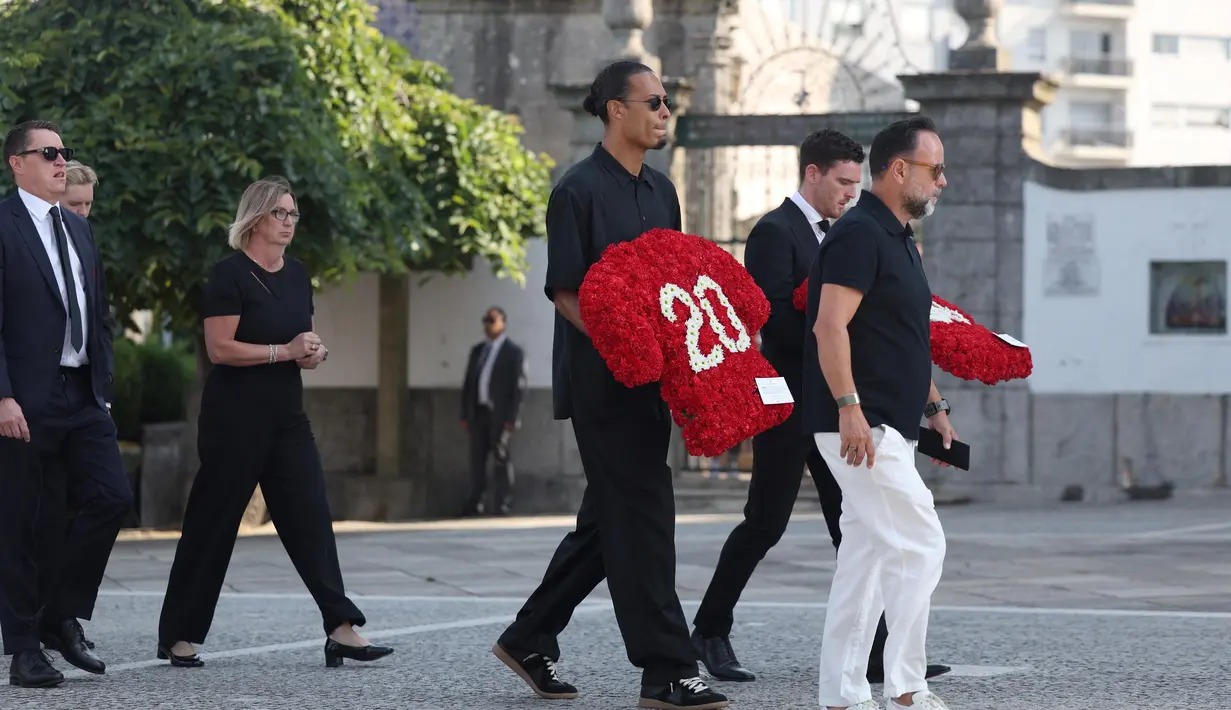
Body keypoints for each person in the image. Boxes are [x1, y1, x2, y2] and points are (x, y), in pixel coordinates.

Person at [490, 61, 728, 710]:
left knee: (610, 522)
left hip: (655, 383)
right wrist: (625, 342)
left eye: (667, 104)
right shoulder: (575, 191)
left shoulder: (662, 191)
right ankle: (667, 670)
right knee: (646, 517)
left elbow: (675, 289)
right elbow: (566, 293)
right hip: (602, 384)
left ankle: (529, 636)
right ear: (614, 110)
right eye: (652, 102)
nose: (663, 113)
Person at [691, 129, 950, 685]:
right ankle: (710, 629)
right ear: (813, 174)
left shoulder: (857, 231)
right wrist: (831, 305)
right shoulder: (774, 232)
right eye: (843, 182)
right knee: (766, 520)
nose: (851, 194)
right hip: (790, 399)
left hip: (840, 402)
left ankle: (878, 650)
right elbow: (773, 320)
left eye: (858, 183)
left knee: (853, 525)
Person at [155, 176, 393, 669]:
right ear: (256, 218)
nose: (289, 223)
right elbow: (220, 349)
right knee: (212, 526)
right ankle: (178, 634)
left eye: (293, 215)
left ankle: (341, 627)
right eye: (280, 214)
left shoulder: (297, 273)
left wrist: (312, 351)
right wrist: (282, 352)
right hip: (233, 422)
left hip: (286, 417)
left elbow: (300, 336)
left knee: (310, 519)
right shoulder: (230, 275)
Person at [803, 116, 956, 710]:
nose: (942, 181)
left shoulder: (897, 239)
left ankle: (840, 695)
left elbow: (903, 336)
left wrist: (935, 403)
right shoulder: (859, 233)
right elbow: (829, 325)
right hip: (861, 426)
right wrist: (849, 408)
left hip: (887, 422)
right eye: (934, 169)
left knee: (864, 560)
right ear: (899, 171)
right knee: (921, 543)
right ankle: (907, 686)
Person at [0, 120, 132, 688]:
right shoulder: (3, 225)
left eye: (64, 153)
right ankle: (25, 647)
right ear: (17, 163)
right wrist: (2, 394)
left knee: (112, 497)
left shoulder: (78, 231)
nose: (60, 162)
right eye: (48, 153)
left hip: (82, 396)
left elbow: (96, 312)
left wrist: (101, 385)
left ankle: (60, 614)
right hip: (24, 399)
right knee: (24, 524)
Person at [460, 305, 527, 517]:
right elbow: (468, 384)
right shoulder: (478, 351)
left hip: (500, 415)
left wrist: (512, 418)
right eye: (485, 320)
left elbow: (519, 387)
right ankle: (475, 503)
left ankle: (502, 505)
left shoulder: (513, 352)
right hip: (478, 413)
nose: (487, 325)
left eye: (492, 320)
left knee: (501, 459)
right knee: (477, 460)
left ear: (502, 323)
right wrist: (464, 414)